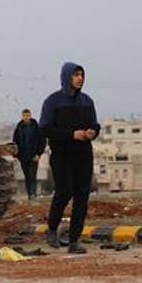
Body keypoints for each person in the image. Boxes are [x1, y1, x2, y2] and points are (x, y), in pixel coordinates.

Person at [39, 61, 99, 253]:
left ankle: (74, 241)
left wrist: (92, 132)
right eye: (76, 75)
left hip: (83, 154)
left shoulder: (87, 101)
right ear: (67, 77)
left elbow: (95, 124)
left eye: (81, 75)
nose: (80, 78)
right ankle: (52, 228)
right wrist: (71, 134)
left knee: (82, 197)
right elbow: (45, 129)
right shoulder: (53, 102)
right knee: (64, 192)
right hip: (62, 155)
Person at [11, 109, 46, 201]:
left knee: (32, 175)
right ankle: (30, 194)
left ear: (30, 116)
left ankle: (33, 194)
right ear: (22, 116)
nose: (26, 117)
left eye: (27, 116)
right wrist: (16, 155)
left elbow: (42, 141)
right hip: (23, 156)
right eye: (24, 116)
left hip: (34, 155)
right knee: (27, 176)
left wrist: (38, 154)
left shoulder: (36, 127)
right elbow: (15, 142)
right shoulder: (19, 128)